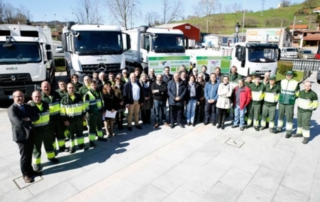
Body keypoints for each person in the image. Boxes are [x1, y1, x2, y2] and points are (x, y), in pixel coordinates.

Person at [8, 91, 40, 183]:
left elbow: (36, 116)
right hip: (21, 136)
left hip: (31, 134)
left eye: (21, 96)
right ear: (13, 98)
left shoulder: (27, 106)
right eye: (18, 97)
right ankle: (25, 174)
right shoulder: (11, 109)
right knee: (24, 156)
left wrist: (29, 118)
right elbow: (18, 122)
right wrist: (29, 119)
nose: (20, 98)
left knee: (29, 153)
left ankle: (30, 171)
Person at [29, 90, 59, 172]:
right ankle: (36, 164)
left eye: (39, 96)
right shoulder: (29, 106)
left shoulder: (45, 104)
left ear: (41, 96)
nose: (37, 98)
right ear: (32, 97)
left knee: (49, 144)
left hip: (46, 128)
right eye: (35, 97)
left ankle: (51, 157)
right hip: (36, 131)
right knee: (36, 148)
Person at [60, 83, 87, 153]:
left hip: (79, 118)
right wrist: (65, 120)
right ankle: (72, 147)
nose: (71, 89)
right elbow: (62, 112)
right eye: (69, 88)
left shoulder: (78, 96)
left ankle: (81, 145)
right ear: (67, 89)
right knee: (71, 134)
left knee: (80, 133)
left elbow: (83, 106)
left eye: (72, 88)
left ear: (74, 88)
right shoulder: (64, 99)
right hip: (70, 120)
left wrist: (84, 115)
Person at [41, 81, 65, 153]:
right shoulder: (40, 97)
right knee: (51, 137)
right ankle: (53, 149)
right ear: (41, 88)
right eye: (44, 87)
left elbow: (62, 106)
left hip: (58, 119)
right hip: (48, 121)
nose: (46, 88)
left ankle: (62, 147)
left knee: (60, 134)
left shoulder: (56, 94)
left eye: (48, 86)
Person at [276, 71, 300, 137]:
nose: (288, 76)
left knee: (289, 117)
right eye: (287, 75)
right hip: (281, 102)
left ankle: (289, 132)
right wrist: (279, 98)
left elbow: (297, 93)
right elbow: (279, 90)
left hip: (290, 103)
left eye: (290, 75)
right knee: (280, 115)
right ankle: (279, 128)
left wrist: (293, 98)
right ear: (285, 75)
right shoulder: (282, 81)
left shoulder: (296, 83)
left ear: (292, 76)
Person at [84, 80, 105, 147]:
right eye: (92, 85)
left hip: (98, 113)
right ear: (90, 86)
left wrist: (102, 109)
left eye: (95, 85)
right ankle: (92, 141)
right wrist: (90, 113)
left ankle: (100, 137)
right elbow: (86, 106)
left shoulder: (98, 93)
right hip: (92, 114)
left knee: (99, 126)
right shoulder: (87, 94)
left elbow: (101, 102)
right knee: (92, 128)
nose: (94, 86)